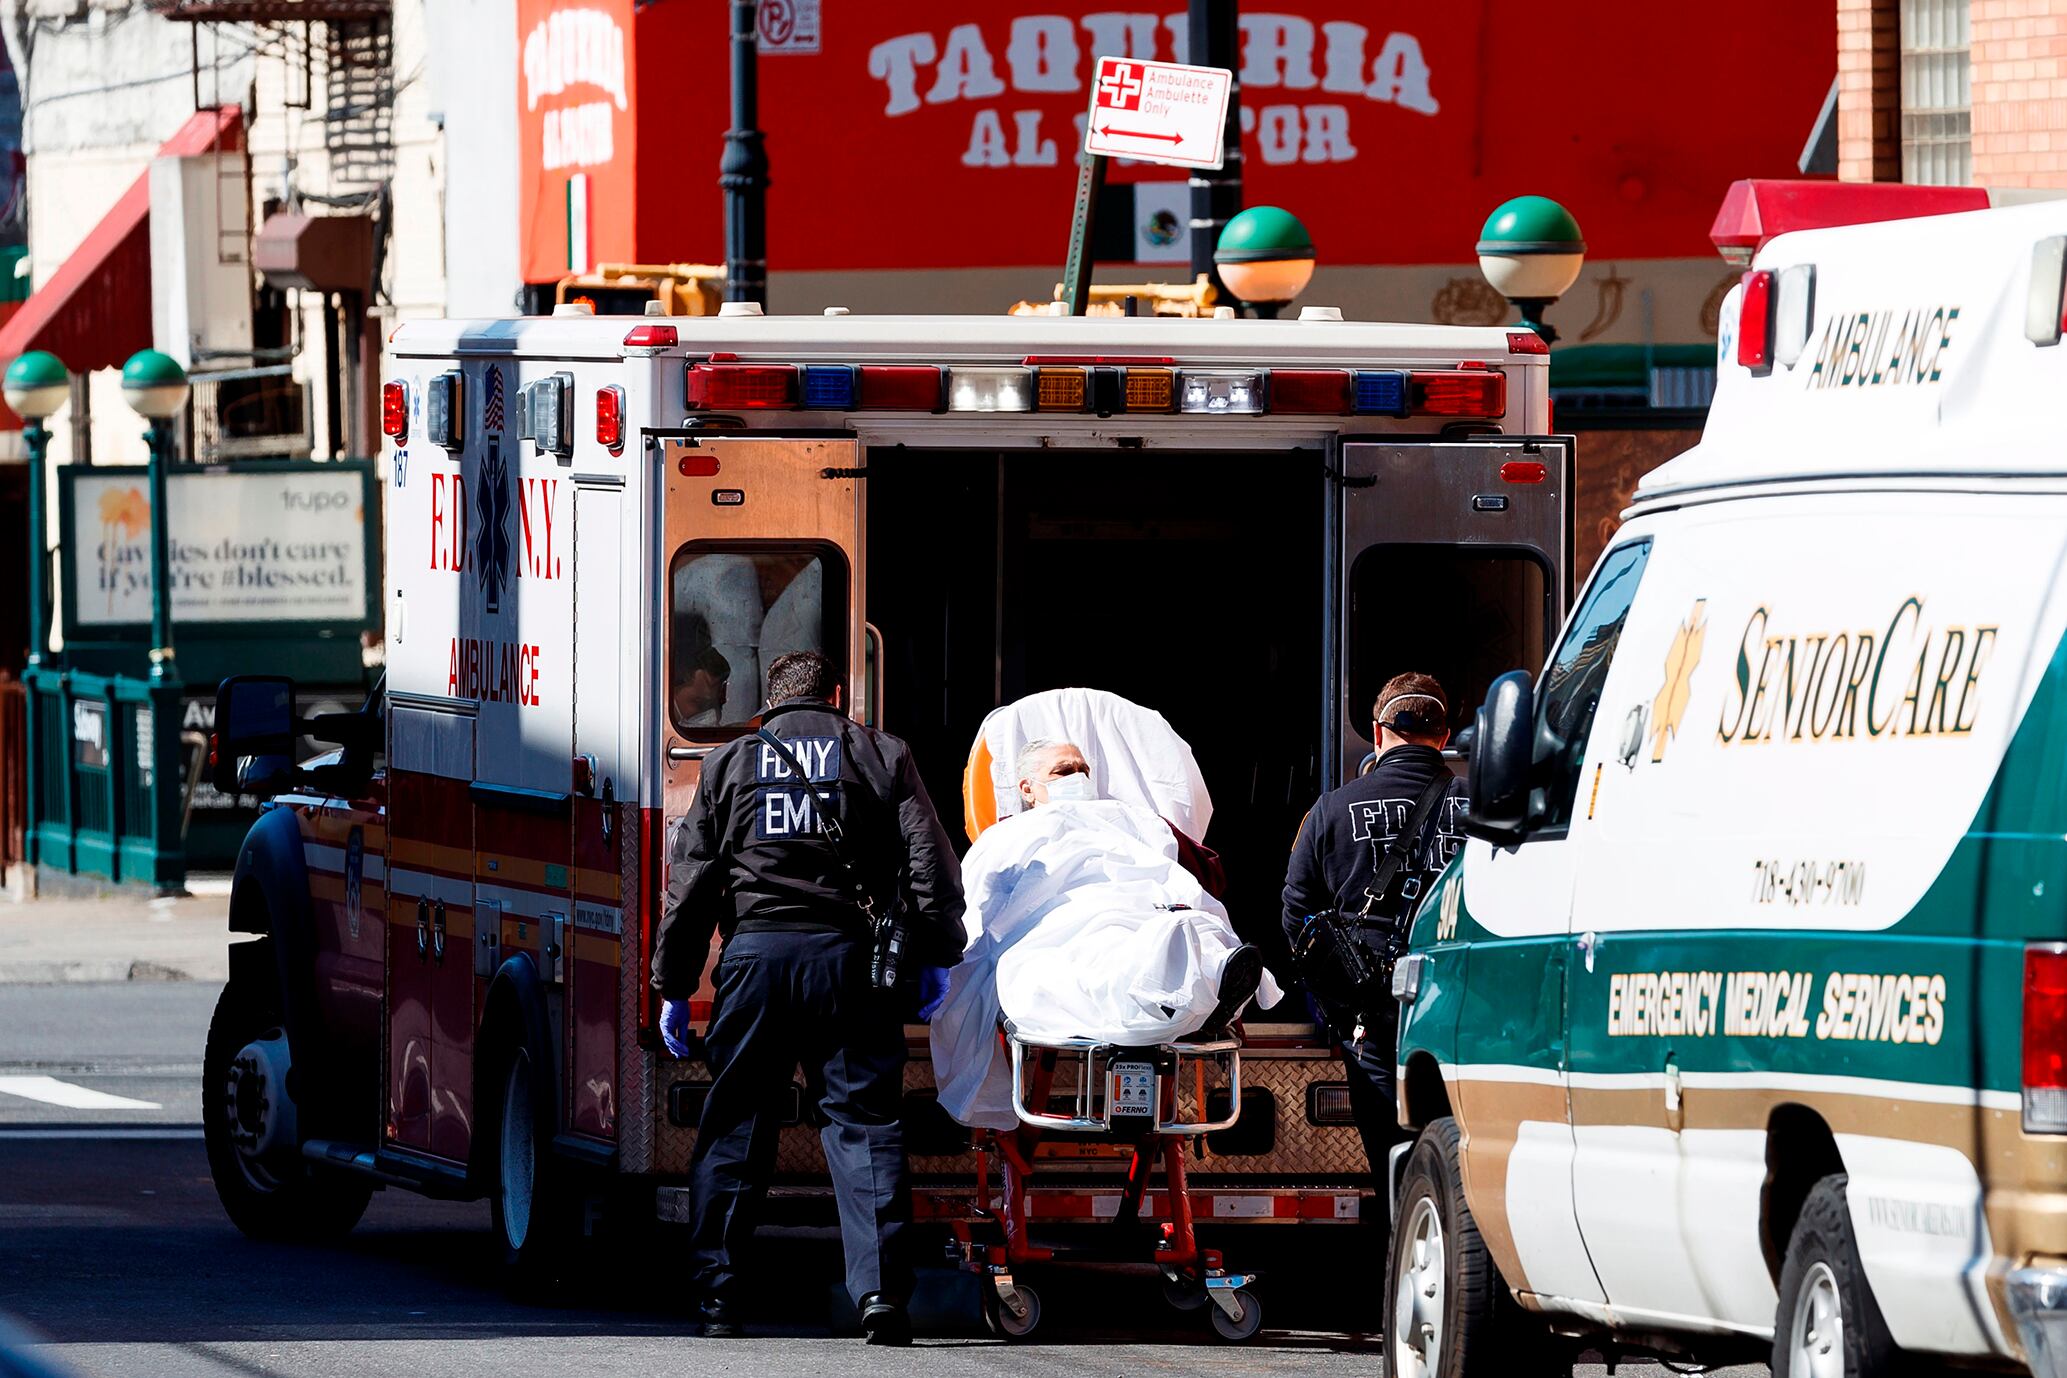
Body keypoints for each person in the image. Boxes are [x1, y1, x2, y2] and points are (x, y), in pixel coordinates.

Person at [649, 650, 965, 1345]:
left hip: (756, 960)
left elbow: (691, 885)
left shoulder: (728, 765)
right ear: (838, 694)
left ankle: (718, 1302)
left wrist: (673, 986)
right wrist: (939, 955)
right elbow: (927, 867)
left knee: (734, 1126)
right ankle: (880, 1295)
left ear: (769, 700)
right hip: (848, 963)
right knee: (862, 1125)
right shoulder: (880, 753)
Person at [930, 738, 1277, 1130]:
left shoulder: (1130, 818)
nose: (1077, 778)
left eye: (1083, 770)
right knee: (1101, 961)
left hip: (1139, 907)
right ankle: (1191, 980)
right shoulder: (1010, 834)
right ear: (1027, 788)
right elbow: (977, 903)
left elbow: (1177, 867)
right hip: (1060, 923)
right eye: (1063, 771)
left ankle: (1197, 970)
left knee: (1182, 924)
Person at [1280, 672, 1468, 1240]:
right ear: (1445, 735)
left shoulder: (1332, 810)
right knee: (1467, 1161)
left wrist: (1334, 1007)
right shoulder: (1486, 807)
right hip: (1467, 1006)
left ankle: (1406, 1270)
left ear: (1380, 731)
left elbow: (1297, 916)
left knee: (1397, 1165)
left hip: (1371, 1017)